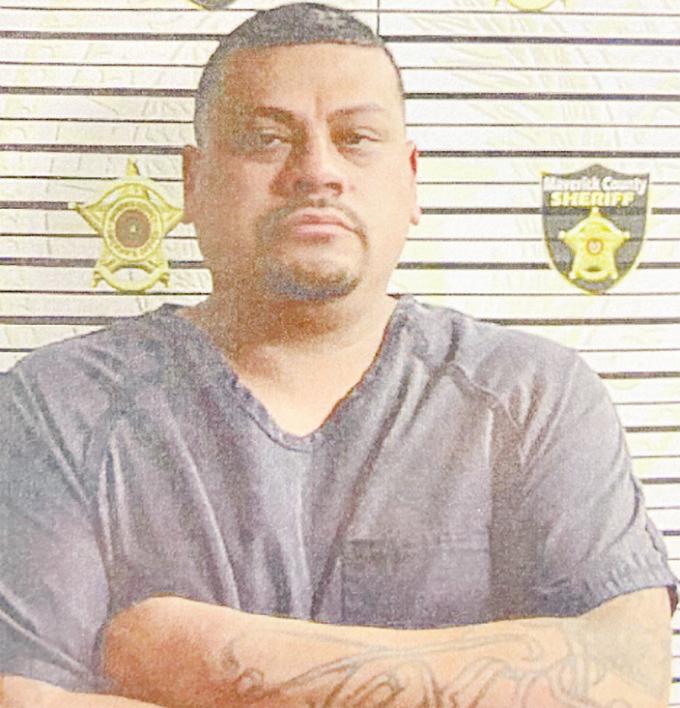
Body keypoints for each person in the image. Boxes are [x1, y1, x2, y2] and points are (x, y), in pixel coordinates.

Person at [0, 3, 676, 706]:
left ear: (410, 179)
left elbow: (629, 680)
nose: (317, 171)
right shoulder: (57, 409)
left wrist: (199, 650)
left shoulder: (532, 397)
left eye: (355, 138)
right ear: (191, 183)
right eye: (266, 139)